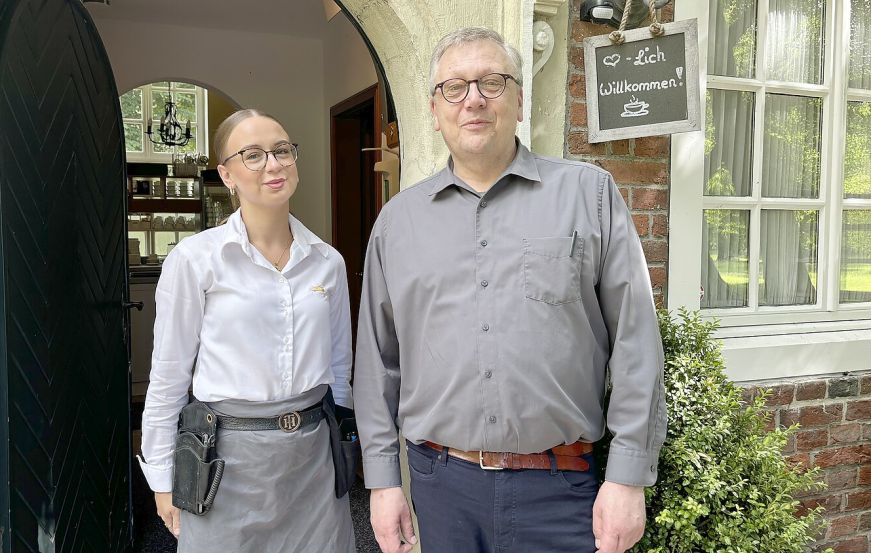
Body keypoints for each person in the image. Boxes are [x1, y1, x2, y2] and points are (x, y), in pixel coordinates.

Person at [353, 27, 666, 553]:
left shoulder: (587, 195)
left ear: (518, 100)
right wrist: (384, 483)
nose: (473, 99)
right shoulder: (396, 223)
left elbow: (636, 341)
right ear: (435, 109)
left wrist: (629, 476)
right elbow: (377, 364)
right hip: (440, 487)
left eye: (492, 82)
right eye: (454, 87)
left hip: (562, 490)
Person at [137, 109, 356, 552]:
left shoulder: (327, 262)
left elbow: (339, 368)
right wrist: (163, 477)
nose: (272, 165)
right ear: (227, 174)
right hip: (226, 460)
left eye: (281, 151)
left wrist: (346, 448)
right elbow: (168, 376)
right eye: (252, 155)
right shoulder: (196, 260)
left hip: (313, 457)